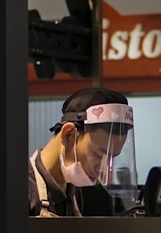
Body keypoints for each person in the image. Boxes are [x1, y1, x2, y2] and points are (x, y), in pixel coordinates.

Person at [29, 87, 134, 217]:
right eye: (98, 155)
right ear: (68, 135)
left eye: (111, 158)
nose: (103, 170)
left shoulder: (83, 193)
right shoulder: (19, 189)